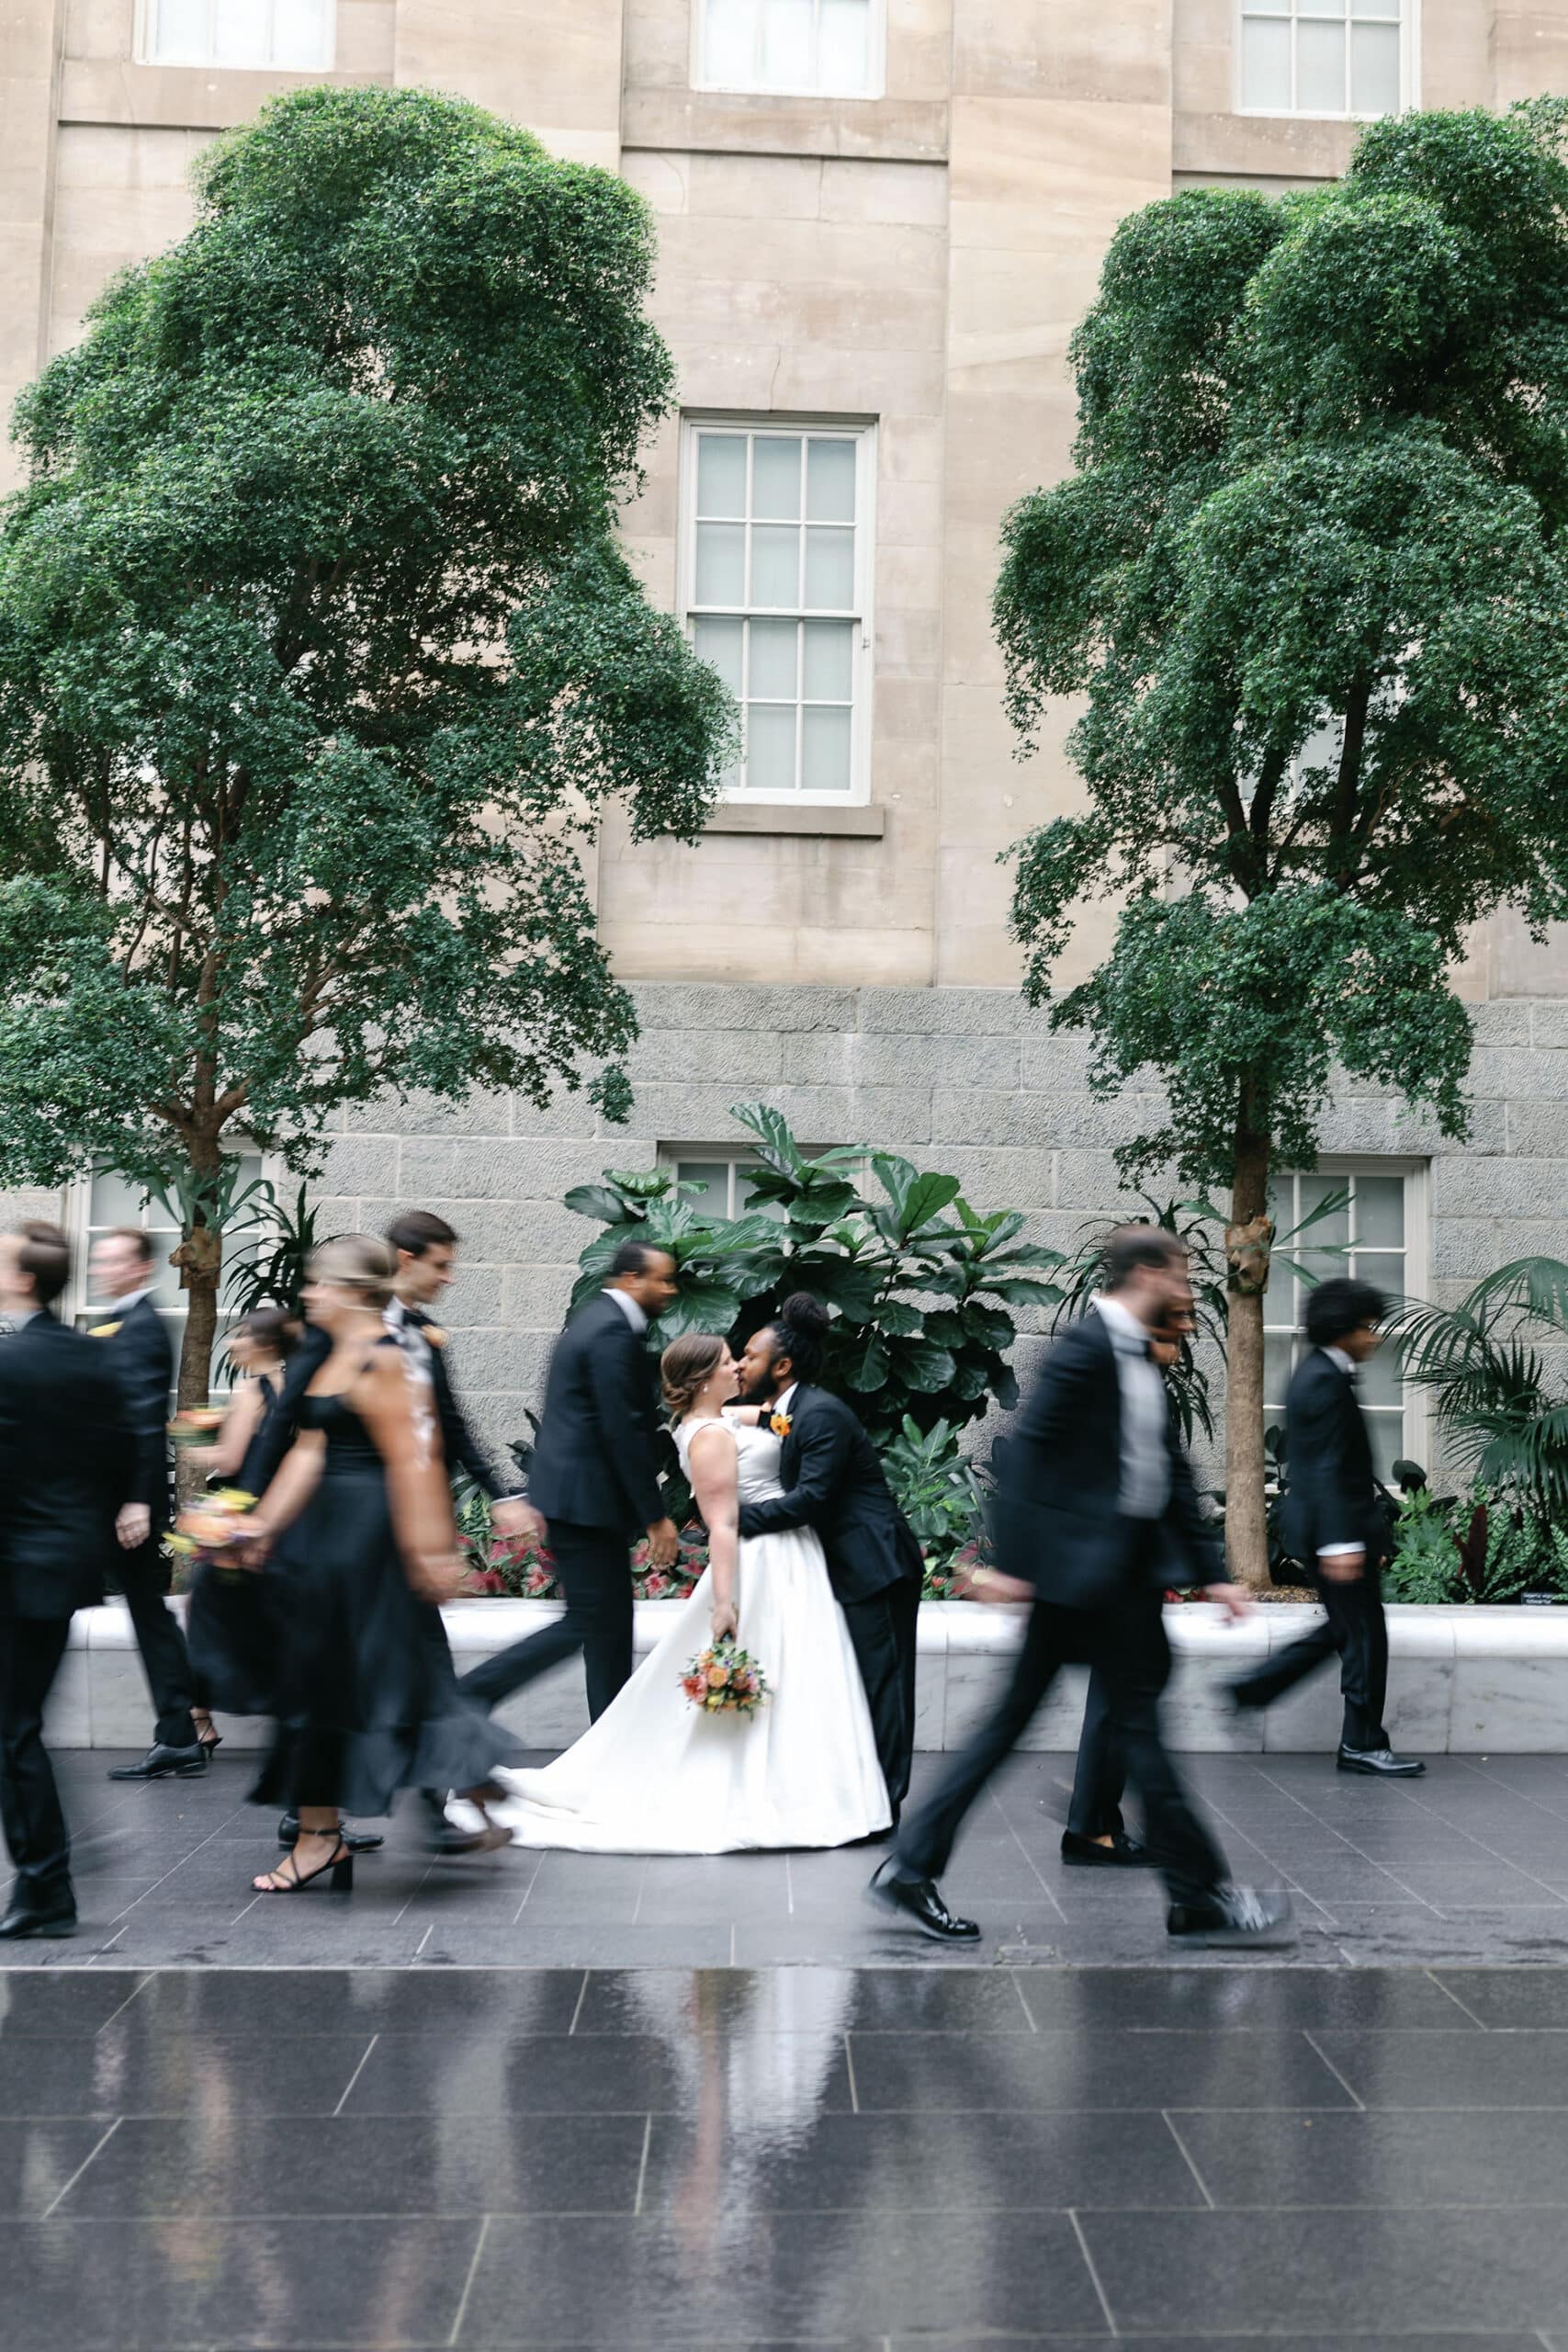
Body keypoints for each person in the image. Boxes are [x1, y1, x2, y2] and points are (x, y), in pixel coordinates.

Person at [869, 1227, 1293, 1948]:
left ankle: (913, 1871)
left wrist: (1210, 1576)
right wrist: (1016, 1569)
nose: (1190, 1287)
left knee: (1090, 1732)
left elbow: (1163, 1475)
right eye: (1182, 1272)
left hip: (1116, 1583)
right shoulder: (1084, 1349)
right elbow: (1025, 1460)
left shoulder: (1136, 1356)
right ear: (1149, 1273)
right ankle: (1195, 1898)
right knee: (1101, 1734)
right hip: (1079, 1585)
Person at [484, 1332, 888, 1850]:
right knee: (777, 1661)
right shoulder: (710, 1438)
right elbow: (721, 1524)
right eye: (727, 1362)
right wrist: (724, 1602)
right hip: (761, 1561)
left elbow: (766, 1421)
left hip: (789, 1556)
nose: (738, 1367)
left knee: (798, 1667)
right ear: (702, 1379)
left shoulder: (713, 1422)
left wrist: (780, 1419)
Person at [238, 1235, 512, 1894]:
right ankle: (321, 1834)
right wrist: (257, 1524)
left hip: (368, 1543)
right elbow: (307, 1452)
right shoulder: (330, 1353)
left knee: (367, 1683)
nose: (308, 1294)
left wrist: (430, 1554)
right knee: (315, 1689)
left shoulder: (388, 1361)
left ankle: (444, 1780)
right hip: (321, 1542)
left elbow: (414, 1461)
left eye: (318, 1284)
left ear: (353, 1291)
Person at [455, 1239, 681, 1727]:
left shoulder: (596, 1323)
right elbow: (620, 1431)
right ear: (630, 1280)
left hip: (581, 1501)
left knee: (610, 1628)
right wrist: (655, 1515)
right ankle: (474, 1691)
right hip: (587, 1506)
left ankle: (611, 1738)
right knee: (590, 1622)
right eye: (661, 1278)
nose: (670, 1288)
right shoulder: (610, 1334)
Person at [732, 1296, 923, 1828]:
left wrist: (732, 1520)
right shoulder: (794, 1410)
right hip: (848, 1566)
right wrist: (714, 1415)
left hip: (876, 1565)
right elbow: (771, 1424)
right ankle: (866, 1795)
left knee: (885, 1687)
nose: (740, 1363)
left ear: (782, 1366)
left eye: (749, 1355)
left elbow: (810, 1500)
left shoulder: (821, 1415)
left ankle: (886, 1805)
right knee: (860, 1684)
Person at [1228, 1276, 1424, 1777]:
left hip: (1340, 1531)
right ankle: (1360, 1743)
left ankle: (1257, 1688)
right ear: (1342, 1328)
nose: (1374, 1337)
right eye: (1366, 1326)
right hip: (1333, 1534)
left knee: (1348, 1631)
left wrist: (1364, 1537)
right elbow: (1324, 1469)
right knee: (1362, 1637)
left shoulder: (1325, 1374)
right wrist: (1343, 1542)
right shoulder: (1320, 1380)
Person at [0, 1224, 134, 1938]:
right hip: (62, 1566)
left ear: (24, 1279)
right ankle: (54, 1862)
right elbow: (115, 1461)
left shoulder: (9, 1361)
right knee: (20, 1723)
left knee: (13, 1730)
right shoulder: (93, 1358)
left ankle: (47, 1886)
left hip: (18, 1569)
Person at [1061, 1304, 1193, 1870]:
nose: (1183, 1345)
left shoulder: (1138, 1385)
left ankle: (1098, 1823)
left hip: (1123, 1575)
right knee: (1119, 1711)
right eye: (1176, 1332)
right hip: (1111, 1577)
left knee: (1122, 1709)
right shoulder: (1118, 1383)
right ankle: (1093, 1826)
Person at [89, 1227, 208, 1781]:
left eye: (112, 1261)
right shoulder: (120, 1324)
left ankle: (183, 1729)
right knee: (147, 1613)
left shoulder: (139, 1328)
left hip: (121, 1503)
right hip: (107, 1499)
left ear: (141, 1268)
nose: (101, 1269)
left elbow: (141, 1421)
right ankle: (183, 1729)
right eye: (99, 1261)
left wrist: (137, 1500)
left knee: (146, 1613)